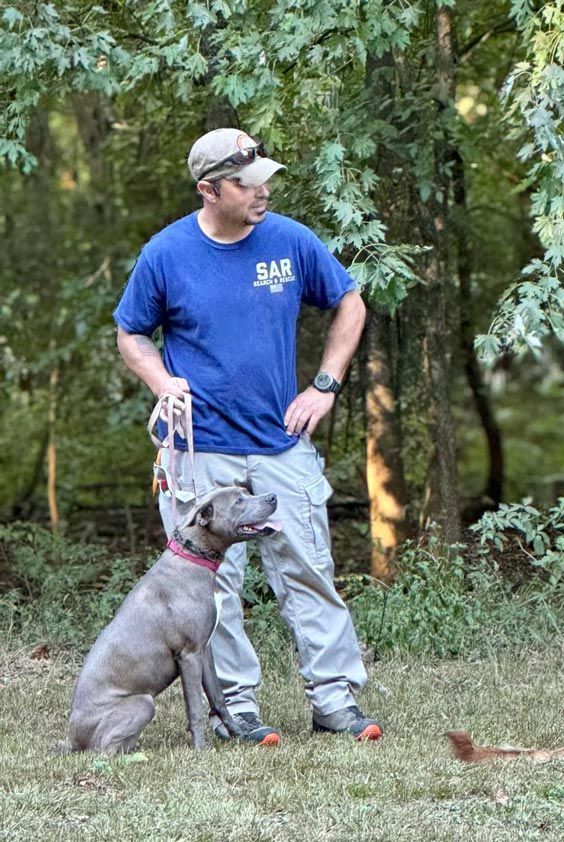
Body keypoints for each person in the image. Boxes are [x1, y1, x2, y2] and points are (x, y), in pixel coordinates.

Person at [113, 128, 381, 745]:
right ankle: (234, 707)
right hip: (200, 452)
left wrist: (324, 384)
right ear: (209, 190)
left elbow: (350, 303)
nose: (262, 191)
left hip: (280, 446)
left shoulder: (290, 240)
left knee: (309, 570)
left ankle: (334, 700)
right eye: (246, 182)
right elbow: (131, 333)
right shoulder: (166, 253)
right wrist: (162, 382)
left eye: (263, 177)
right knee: (215, 588)